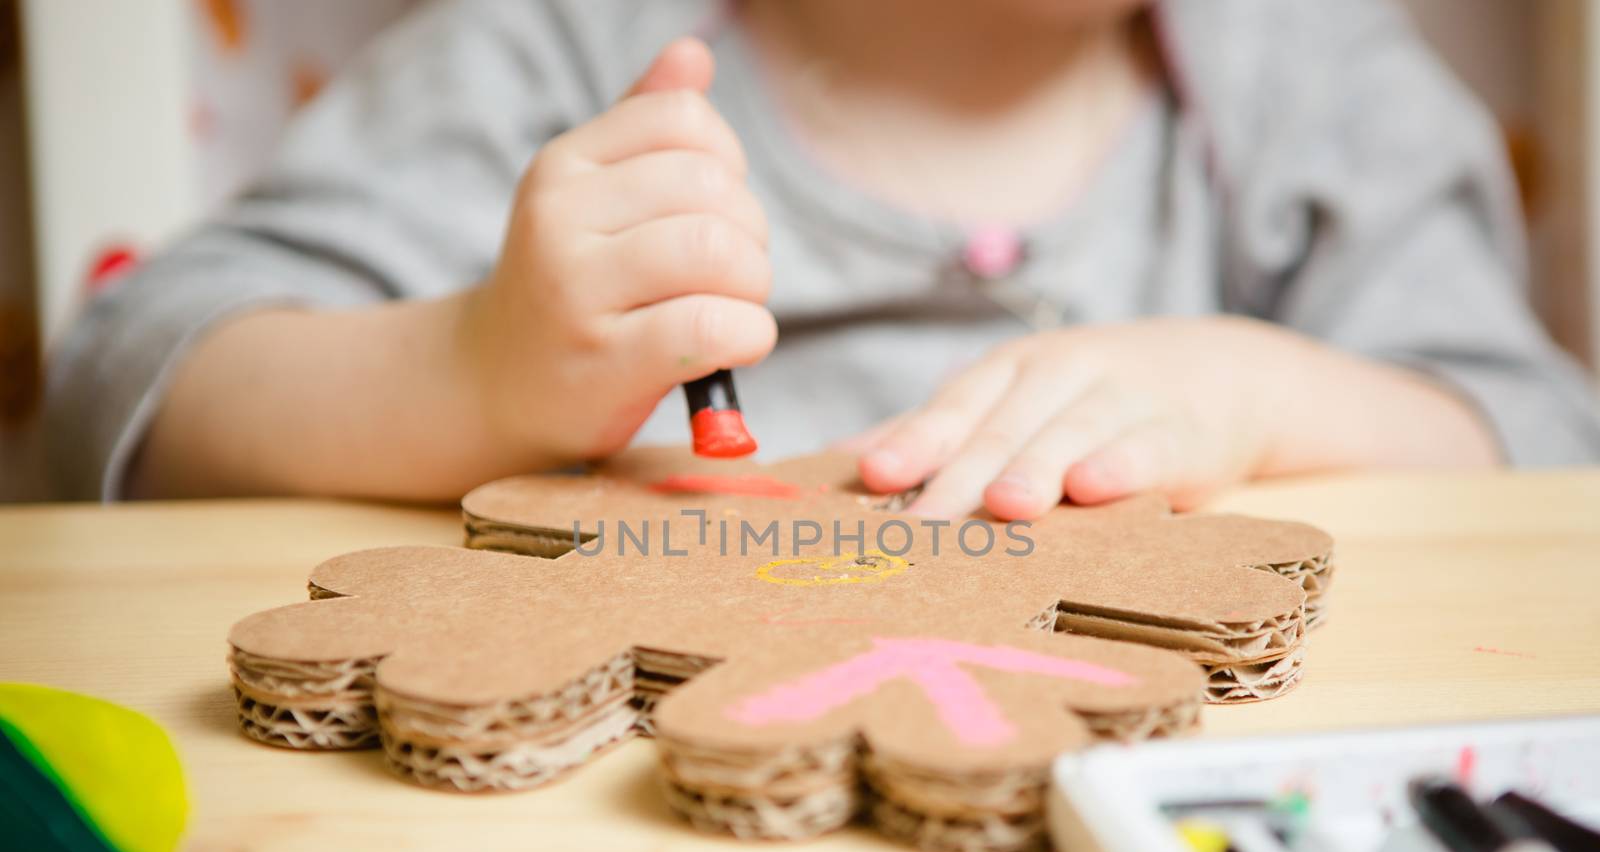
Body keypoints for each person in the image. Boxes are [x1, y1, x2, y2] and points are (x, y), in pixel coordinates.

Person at [43, 0, 1600, 519]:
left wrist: (1270, 398)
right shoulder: (568, 46)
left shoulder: (1314, 76)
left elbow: (1540, 457)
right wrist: (469, 369)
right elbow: (131, 384)